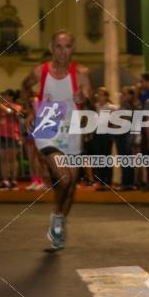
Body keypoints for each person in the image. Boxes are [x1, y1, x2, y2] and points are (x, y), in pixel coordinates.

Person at [22, 30, 92, 250]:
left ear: (73, 48)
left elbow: (89, 104)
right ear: (51, 48)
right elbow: (25, 86)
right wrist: (30, 111)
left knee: (70, 185)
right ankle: (57, 216)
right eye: (59, 47)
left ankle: (59, 217)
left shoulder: (80, 73)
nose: (63, 52)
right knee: (63, 178)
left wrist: (85, 99)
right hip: (47, 125)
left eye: (68, 46)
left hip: (71, 129)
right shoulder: (40, 71)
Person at [0, 89, 22, 191]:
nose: (4, 97)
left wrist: (0, 105)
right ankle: (5, 181)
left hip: (13, 136)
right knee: (3, 159)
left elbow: (11, 112)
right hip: (2, 135)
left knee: (12, 159)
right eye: (4, 95)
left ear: (11, 97)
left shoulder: (17, 106)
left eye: (6, 95)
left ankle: (14, 181)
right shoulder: (1, 106)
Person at [90, 86, 116, 189]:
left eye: (101, 95)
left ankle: (107, 181)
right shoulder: (95, 106)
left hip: (107, 134)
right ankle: (99, 180)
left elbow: (115, 122)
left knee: (106, 156)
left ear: (106, 96)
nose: (99, 97)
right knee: (97, 157)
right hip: (97, 134)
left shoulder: (111, 107)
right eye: (98, 94)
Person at [114, 86, 138, 190]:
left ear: (129, 96)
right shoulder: (125, 106)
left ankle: (127, 183)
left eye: (124, 94)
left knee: (126, 160)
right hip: (123, 136)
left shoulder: (128, 106)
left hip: (125, 136)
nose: (121, 96)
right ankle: (128, 183)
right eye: (121, 93)